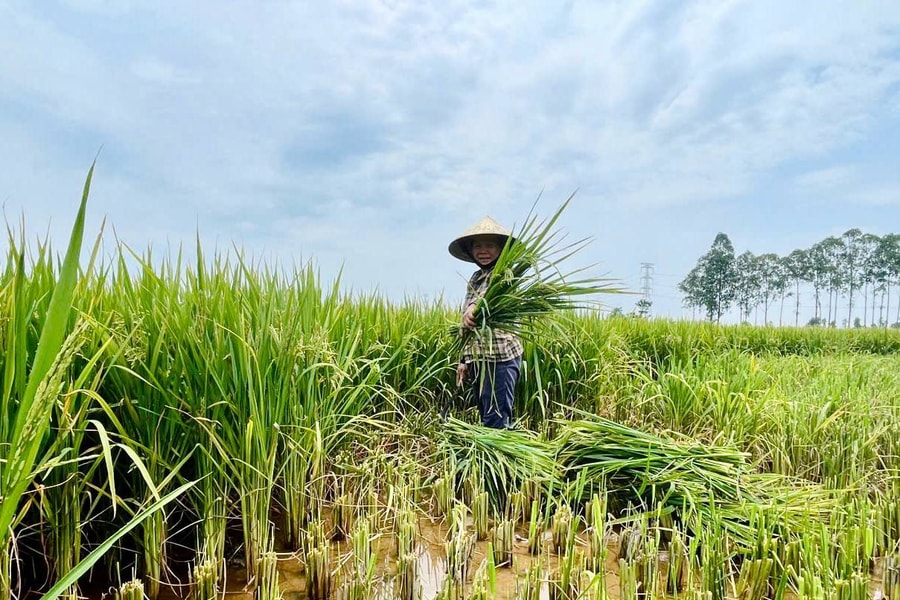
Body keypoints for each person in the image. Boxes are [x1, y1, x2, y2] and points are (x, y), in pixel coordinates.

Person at [448, 216, 524, 429]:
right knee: (486, 412)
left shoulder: (507, 273)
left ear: (501, 249)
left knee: (496, 419)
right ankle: (493, 456)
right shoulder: (475, 277)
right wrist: (463, 360)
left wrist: (475, 307)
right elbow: (466, 323)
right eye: (478, 245)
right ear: (470, 250)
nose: (483, 250)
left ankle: (500, 459)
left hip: (501, 358)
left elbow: (492, 298)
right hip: (478, 358)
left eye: (490, 245)